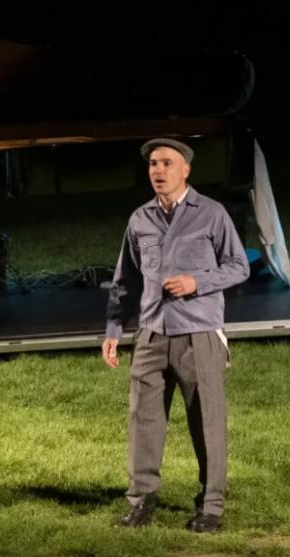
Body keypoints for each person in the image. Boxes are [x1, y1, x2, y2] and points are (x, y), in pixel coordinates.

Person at [103, 137, 249, 534]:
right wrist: (114, 328)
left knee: (207, 422)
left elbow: (239, 266)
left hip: (198, 334)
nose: (158, 170)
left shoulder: (212, 214)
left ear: (186, 169)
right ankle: (141, 500)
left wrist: (197, 282)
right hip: (151, 334)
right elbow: (125, 280)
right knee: (143, 420)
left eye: (167, 163)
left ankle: (211, 507)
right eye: (153, 163)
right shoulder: (140, 219)